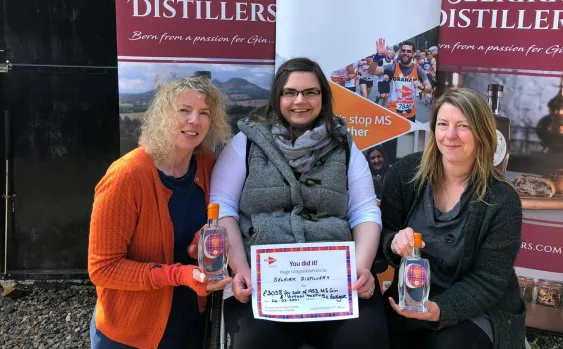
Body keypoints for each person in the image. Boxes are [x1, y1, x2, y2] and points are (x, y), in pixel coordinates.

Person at [209, 57, 388, 349]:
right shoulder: (246, 143)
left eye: (311, 92)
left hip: (334, 283)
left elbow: (364, 210)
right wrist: (239, 268)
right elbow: (222, 206)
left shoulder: (344, 144)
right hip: (263, 283)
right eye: (290, 92)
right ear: (277, 96)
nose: (299, 100)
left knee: (363, 337)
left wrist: (360, 269)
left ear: (323, 98)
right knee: (255, 340)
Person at [88, 76, 232, 349]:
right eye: (183, 110)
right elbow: (103, 269)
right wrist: (179, 275)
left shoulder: (207, 164)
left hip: (191, 323)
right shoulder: (126, 176)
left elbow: (220, 217)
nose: (194, 120)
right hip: (131, 332)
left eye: (204, 113)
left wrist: (202, 238)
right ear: (162, 115)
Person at [379, 88, 526, 349]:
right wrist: (394, 242)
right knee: (372, 334)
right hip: (412, 294)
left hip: (476, 306)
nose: (450, 136)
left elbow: (487, 282)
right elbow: (386, 231)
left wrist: (439, 310)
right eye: (443, 125)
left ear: (482, 133)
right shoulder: (406, 173)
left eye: (463, 126)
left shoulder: (502, 199)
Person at [368, 39, 433, 122]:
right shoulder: (392, 67)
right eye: (403, 50)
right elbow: (371, 71)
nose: (405, 53)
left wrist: (421, 87)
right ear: (400, 52)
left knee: (408, 135)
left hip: (410, 113)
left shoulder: (418, 69)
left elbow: (429, 89)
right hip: (393, 112)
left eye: (409, 51)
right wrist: (378, 55)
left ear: (413, 54)